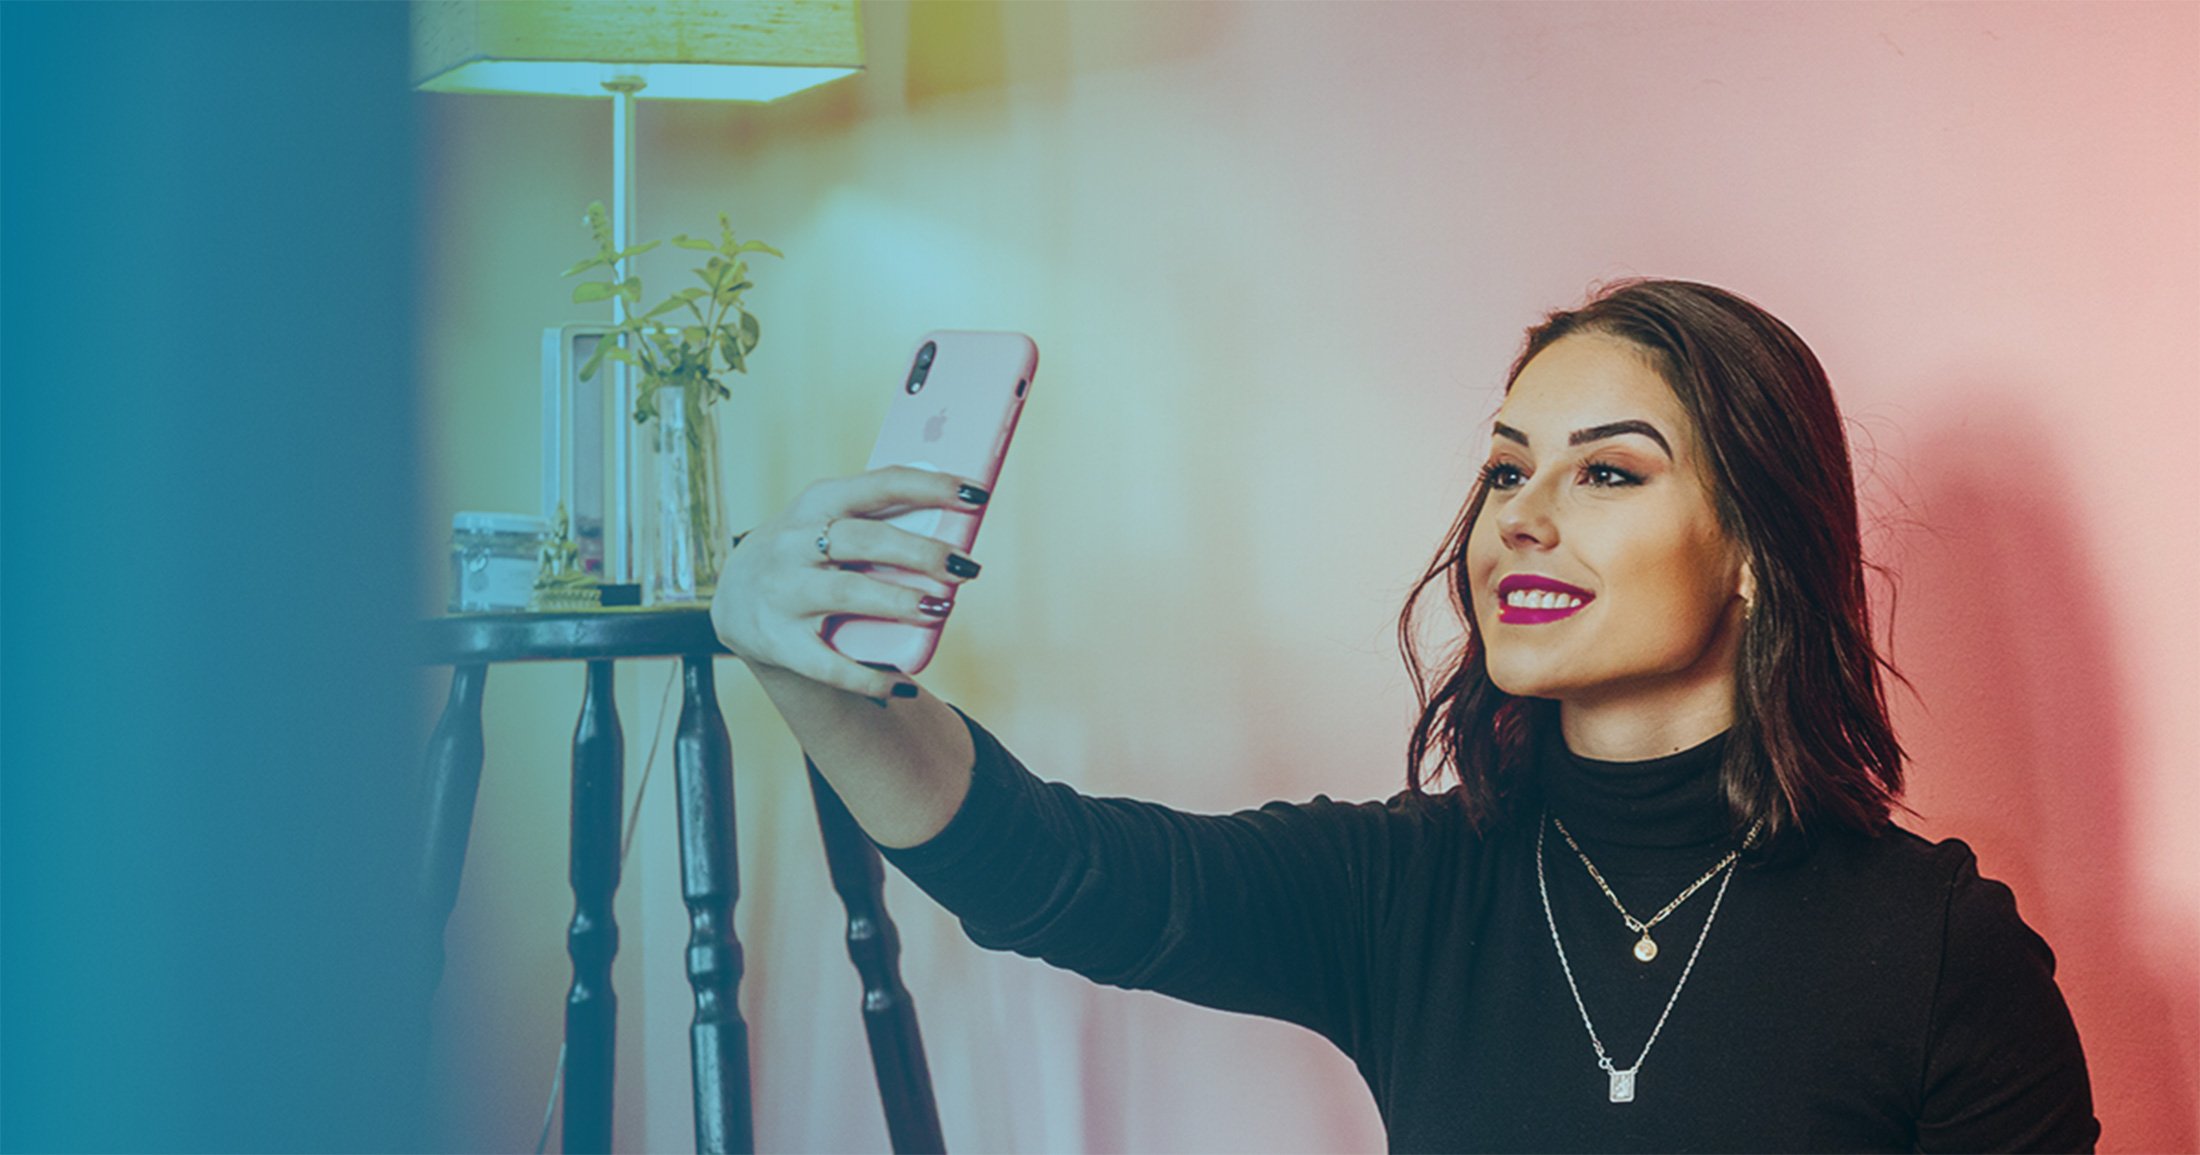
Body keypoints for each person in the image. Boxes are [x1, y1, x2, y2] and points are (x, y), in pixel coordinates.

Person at [708, 279, 2099, 1153]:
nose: (1524, 522)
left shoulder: (1940, 957)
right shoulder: (1407, 889)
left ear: (1752, 546)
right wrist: (804, 667)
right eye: (1505, 472)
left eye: (1608, 476)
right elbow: (1050, 872)